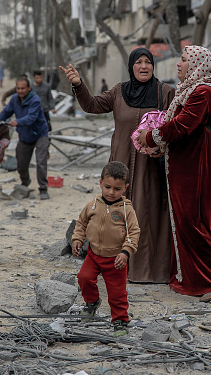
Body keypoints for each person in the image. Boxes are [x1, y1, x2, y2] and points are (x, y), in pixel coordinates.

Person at [60, 48, 175, 284]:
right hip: (119, 167)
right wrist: (78, 85)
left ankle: (148, 272)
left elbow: (175, 127)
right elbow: (91, 105)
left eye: (148, 62)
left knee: (146, 213)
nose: (144, 66)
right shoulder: (120, 92)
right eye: (139, 62)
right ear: (131, 66)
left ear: (153, 66)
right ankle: (113, 268)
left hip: (151, 167)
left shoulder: (165, 93)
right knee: (115, 215)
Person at [136, 45, 211, 302]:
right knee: (186, 223)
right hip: (188, 168)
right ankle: (191, 279)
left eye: (183, 60)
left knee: (195, 224)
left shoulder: (202, 93)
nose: (178, 64)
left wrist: (150, 137)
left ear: (196, 65)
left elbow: (181, 127)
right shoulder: (194, 91)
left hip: (197, 171)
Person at [72, 161, 140, 337]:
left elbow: (134, 232)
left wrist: (126, 252)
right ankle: (92, 303)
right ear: (101, 182)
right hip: (93, 255)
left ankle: (120, 321)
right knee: (84, 278)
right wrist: (78, 239)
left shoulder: (127, 210)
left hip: (116, 259)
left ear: (125, 188)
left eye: (117, 189)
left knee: (117, 293)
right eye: (107, 187)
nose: (111, 192)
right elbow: (81, 222)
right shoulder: (93, 204)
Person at [0, 76, 51, 200]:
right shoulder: (14, 99)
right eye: (18, 88)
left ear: (29, 88)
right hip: (25, 135)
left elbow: (32, 117)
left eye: (23, 88)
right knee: (21, 162)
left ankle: (43, 189)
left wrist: (17, 122)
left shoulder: (35, 100)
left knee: (41, 162)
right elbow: (5, 113)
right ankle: (25, 183)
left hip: (40, 134)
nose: (20, 91)